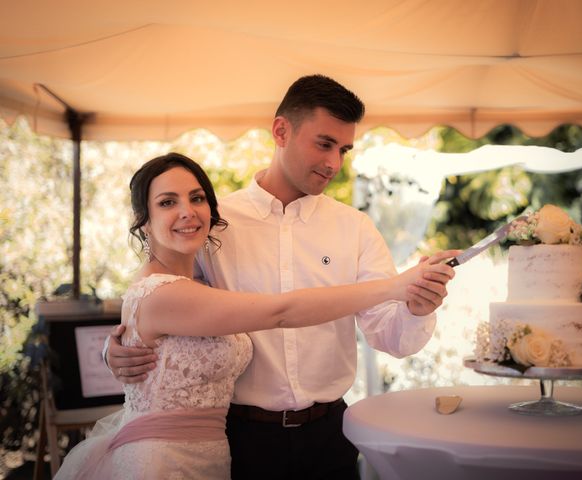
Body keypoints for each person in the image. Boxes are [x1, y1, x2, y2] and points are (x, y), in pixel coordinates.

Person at [106, 75, 460, 479]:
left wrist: (416, 308)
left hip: (330, 436)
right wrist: (116, 345)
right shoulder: (212, 224)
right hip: (239, 438)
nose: (334, 163)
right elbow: (161, 295)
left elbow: (390, 337)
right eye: (324, 144)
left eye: (343, 149)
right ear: (280, 131)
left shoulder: (355, 228)